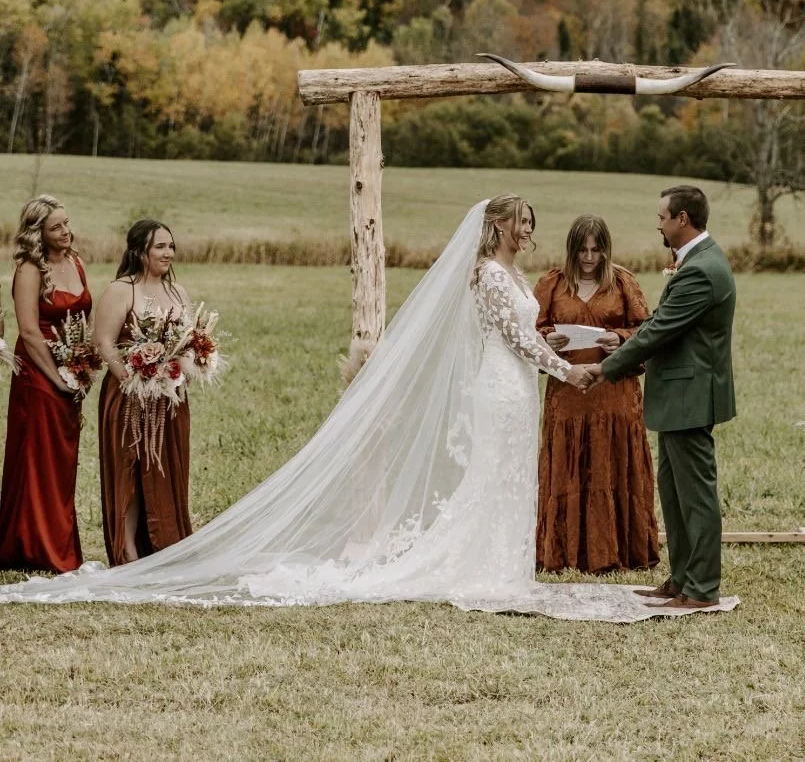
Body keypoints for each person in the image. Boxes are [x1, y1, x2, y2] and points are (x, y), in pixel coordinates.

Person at [0, 196, 721, 620]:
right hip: (507, 384)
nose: (531, 231)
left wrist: (560, 356)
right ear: (499, 229)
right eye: (523, 223)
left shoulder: (505, 272)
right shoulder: (492, 275)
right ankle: (488, 568)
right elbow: (521, 341)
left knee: (504, 478)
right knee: (497, 476)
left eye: (532, 223)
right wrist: (570, 367)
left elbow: (522, 334)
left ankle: (503, 564)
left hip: (512, 385)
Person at [583, 184, 736, 610]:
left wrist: (606, 368)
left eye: (662, 218)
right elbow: (662, 327)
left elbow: (661, 328)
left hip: (690, 395)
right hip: (678, 395)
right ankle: (683, 578)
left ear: (682, 219)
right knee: (674, 493)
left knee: (696, 496)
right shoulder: (695, 262)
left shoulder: (702, 270)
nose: (659, 225)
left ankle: (702, 588)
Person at [534, 215, 659, 572]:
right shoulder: (551, 284)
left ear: (606, 249)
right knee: (569, 464)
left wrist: (618, 339)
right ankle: (564, 552)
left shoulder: (623, 282)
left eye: (596, 249)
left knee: (612, 462)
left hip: (614, 393)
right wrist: (548, 340)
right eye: (582, 250)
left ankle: (619, 551)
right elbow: (529, 332)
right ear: (572, 249)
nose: (589, 257)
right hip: (568, 393)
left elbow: (647, 330)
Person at [0, 195, 92, 573]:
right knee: (36, 458)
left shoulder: (76, 262)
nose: (66, 231)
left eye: (67, 223)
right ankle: (29, 545)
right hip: (38, 376)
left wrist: (83, 365)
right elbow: (28, 331)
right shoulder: (29, 269)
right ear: (38, 232)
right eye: (56, 227)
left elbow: (85, 317)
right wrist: (56, 378)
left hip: (72, 372)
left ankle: (56, 541)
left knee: (63, 460)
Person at [95, 220, 194, 565]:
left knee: (166, 470)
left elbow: (187, 343)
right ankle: (128, 551)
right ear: (139, 251)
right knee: (130, 472)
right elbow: (105, 343)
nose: (168, 253)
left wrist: (187, 369)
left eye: (171, 246)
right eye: (160, 247)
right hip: (127, 397)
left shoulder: (178, 293)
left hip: (170, 398)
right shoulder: (121, 290)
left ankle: (166, 545)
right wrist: (131, 377)